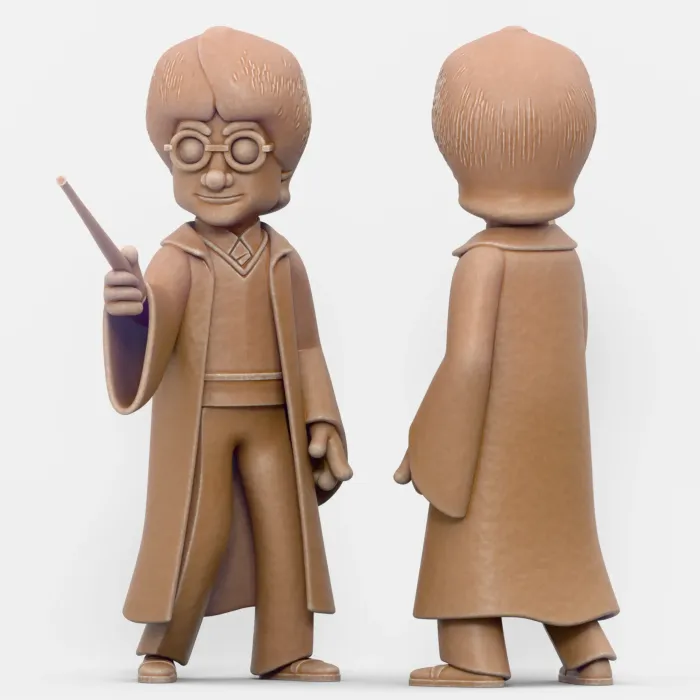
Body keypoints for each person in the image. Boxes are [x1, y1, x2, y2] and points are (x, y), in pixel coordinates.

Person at [102, 26, 352, 684]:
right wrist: (129, 313)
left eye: (241, 149)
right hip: (203, 421)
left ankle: (285, 648)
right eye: (192, 148)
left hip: (272, 417)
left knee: (285, 529)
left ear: (283, 168)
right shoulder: (177, 257)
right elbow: (153, 322)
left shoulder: (282, 259)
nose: (214, 173)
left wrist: (322, 418)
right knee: (198, 527)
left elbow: (306, 345)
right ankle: (165, 644)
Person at [394, 26, 619, 688]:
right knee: (558, 542)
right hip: (558, 446)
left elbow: (468, 362)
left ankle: (475, 656)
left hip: (491, 442)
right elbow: (576, 342)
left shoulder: (483, 262)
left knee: (465, 537)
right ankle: (588, 650)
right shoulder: (566, 257)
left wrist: (427, 442)